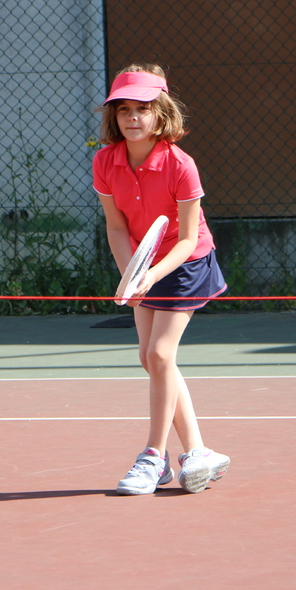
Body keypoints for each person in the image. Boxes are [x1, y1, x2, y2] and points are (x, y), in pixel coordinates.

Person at [92, 63, 230, 495]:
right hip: (144, 261)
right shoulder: (105, 161)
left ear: (161, 113)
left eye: (143, 109)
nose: (133, 117)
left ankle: (153, 457)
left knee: (159, 353)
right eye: (124, 109)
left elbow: (187, 239)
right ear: (114, 116)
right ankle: (198, 452)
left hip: (185, 263)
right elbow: (116, 226)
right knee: (151, 359)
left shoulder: (181, 165)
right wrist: (130, 274)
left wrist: (150, 275)